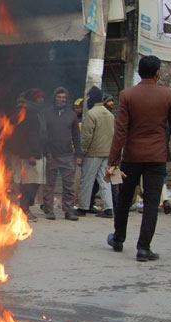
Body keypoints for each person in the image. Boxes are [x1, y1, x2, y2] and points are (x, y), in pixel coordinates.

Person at [107, 55, 171, 262]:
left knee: (124, 198)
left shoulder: (127, 95)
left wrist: (113, 160)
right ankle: (143, 248)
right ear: (158, 73)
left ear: (139, 73)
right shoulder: (169, 95)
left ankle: (118, 238)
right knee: (151, 203)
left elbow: (120, 131)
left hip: (132, 157)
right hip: (157, 157)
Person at [42, 86, 81, 221]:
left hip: (67, 155)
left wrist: (79, 155)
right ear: (54, 98)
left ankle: (69, 211)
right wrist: (47, 152)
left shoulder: (72, 115)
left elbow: (76, 136)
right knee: (49, 185)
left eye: (63, 97)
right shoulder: (47, 114)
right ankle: (48, 210)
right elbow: (44, 135)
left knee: (69, 185)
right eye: (59, 97)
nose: (61, 99)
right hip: (51, 155)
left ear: (67, 99)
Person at [9, 89, 46, 222]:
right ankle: (24, 210)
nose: (42, 100)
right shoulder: (27, 114)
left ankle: (23, 207)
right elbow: (24, 136)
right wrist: (30, 154)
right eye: (39, 98)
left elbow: (40, 134)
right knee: (26, 184)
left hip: (37, 153)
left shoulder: (37, 113)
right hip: (26, 155)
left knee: (34, 183)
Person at [77, 86, 114, 218]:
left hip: (93, 153)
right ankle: (109, 208)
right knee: (105, 182)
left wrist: (81, 152)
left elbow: (86, 136)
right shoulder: (110, 115)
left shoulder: (91, 114)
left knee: (87, 180)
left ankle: (82, 207)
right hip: (107, 153)